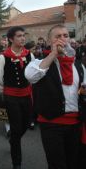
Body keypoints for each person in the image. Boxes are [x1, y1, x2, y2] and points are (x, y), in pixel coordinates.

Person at [25, 24, 85, 169]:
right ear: (49, 41)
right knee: (57, 164)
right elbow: (30, 76)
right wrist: (53, 54)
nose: (63, 39)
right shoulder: (39, 63)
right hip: (51, 123)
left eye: (65, 36)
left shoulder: (78, 65)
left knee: (74, 162)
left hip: (75, 123)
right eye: (58, 36)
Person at [0, 26, 33, 169]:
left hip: (27, 95)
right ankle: (17, 162)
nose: (23, 38)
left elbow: (33, 75)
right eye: (19, 36)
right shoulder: (3, 57)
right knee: (16, 128)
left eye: (23, 35)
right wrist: (4, 92)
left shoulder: (29, 55)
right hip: (11, 97)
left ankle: (13, 140)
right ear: (10, 39)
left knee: (26, 124)